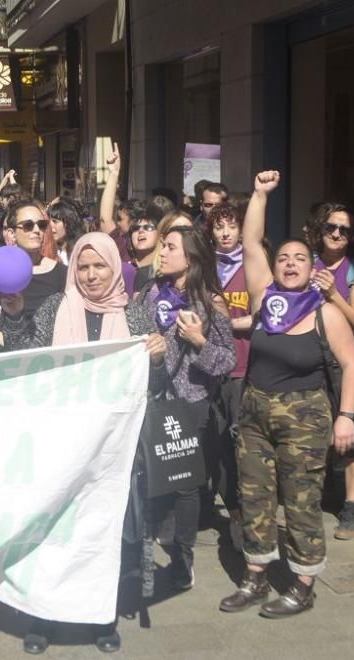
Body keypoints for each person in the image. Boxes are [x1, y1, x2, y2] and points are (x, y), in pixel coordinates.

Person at [0, 231, 167, 654]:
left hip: (110, 449)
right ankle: (42, 617)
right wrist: (16, 317)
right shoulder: (56, 307)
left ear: (115, 268)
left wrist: (160, 356)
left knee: (101, 532)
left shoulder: (134, 316)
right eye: (84, 266)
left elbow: (157, 383)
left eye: (100, 266)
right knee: (53, 528)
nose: (91, 275)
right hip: (58, 441)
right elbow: (27, 360)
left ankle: (101, 618)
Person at [218, 170, 354, 618]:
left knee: (301, 499)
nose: (291, 263)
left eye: (300, 258)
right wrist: (259, 194)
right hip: (255, 410)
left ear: (311, 266)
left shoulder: (325, 313)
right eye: (283, 258)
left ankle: (302, 582)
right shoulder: (265, 299)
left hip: (306, 415)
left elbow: (352, 365)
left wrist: (347, 416)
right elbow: (251, 240)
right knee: (255, 496)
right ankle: (256, 576)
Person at [140, 224, 236, 591]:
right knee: (149, 480)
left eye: (170, 247)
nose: (162, 253)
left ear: (191, 257)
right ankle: (145, 555)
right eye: (162, 246)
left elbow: (226, 360)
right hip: (152, 399)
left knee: (185, 487)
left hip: (190, 404)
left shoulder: (211, 301)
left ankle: (183, 559)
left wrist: (198, 342)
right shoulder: (150, 294)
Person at [307, 202, 354, 540]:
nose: (336, 234)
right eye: (331, 227)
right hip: (314, 359)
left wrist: (333, 293)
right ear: (320, 230)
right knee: (317, 433)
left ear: (352, 236)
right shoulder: (307, 264)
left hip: (350, 362)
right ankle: (320, 498)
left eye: (344, 230)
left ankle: (351, 509)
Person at [204, 202, 251, 550]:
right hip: (210, 369)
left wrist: (227, 322)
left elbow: (264, 314)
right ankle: (233, 514)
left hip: (244, 369)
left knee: (244, 449)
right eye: (219, 226)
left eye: (231, 226)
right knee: (218, 447)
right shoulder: (205, 269)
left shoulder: (254, 266)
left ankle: (252, 516)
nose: (225, 233)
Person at [0, 199, 67, 345]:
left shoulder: (62, 273)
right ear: (11, 233)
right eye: (28, 225)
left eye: (42, 225)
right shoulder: (0, 270)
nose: (37, 230)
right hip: (12, 357)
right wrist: (20, 348)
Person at [47, 199, 83, 265]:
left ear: (68, 223)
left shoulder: (80, 250)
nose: (50, 225)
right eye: (48, 221)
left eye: (55, 221)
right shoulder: (46, 250)